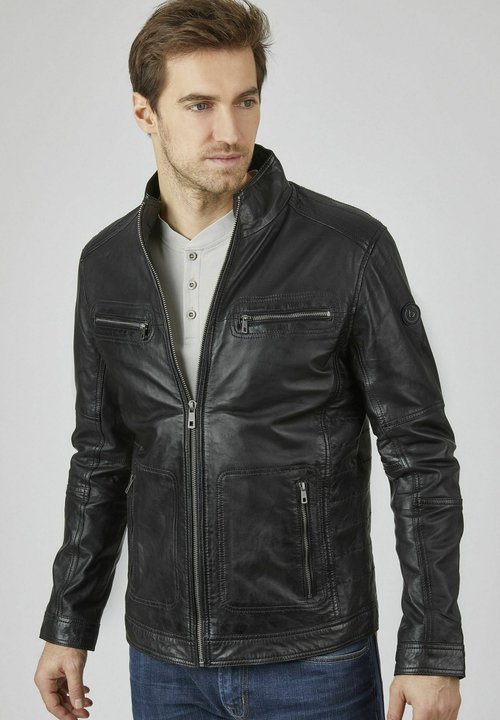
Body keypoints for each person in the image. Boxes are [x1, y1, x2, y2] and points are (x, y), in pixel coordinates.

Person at [34, 1, 465, 718]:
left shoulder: (346, 249)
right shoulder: (106, 265)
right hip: (165, 664)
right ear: (145, 113)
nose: (230, 131)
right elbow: (101, 457)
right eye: (199, 105)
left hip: (314, 657)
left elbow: (419, 453)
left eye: (246, 101)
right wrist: (67, 625)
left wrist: (431, 648)